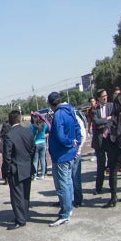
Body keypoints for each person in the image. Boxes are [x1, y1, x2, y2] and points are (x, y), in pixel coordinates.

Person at [47, 92, 82, 227]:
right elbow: (77, 128)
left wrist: (69, 143)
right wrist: (76, 143)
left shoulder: (58, 115)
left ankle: (65, 212)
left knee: (62, 185)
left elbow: (60, 136)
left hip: (61, 155)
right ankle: (68, 207)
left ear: (51, 104)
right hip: (69, 154)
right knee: (68, 182)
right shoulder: (70, 111)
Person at [2, 110, 34, 230]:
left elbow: (7, 157)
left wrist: (6, 171)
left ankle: (20, 219)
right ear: (20, 119)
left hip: (16, 168)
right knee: (26, 194)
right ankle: (24, 215)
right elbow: (32, 148)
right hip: (27, 165)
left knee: (16, 196)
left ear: (10, 121)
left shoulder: (9, 135)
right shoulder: (28, 131)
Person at [91, 89, 113, 194]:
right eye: (103, 96)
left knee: (112, 164)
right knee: (100, 165)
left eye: (106, 95)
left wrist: (104, 122)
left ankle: (112, 186)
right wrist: (107, 119)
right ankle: (98, 188)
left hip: (110, 138)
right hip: (100, 140)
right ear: (98, 98)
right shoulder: (95, 109)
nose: (105, 97)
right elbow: (96, 122)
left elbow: (114, 119)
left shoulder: (111, 106)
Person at [30, 114, 49, 180]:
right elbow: (49, 130)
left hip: (36, 143)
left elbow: (31, 135)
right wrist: (46, 135)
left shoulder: (32, 126)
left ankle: (35, 175)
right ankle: (43, 174)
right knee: (42, 159)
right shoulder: (44, 124)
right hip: (43, 142)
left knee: (35, 160)